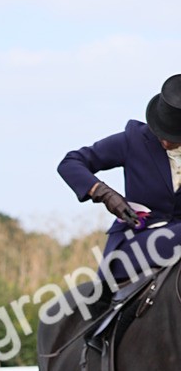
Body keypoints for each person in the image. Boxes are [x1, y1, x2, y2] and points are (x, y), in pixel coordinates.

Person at [58, 74, 181, 286]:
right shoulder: (134, 140)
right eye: (160, 131)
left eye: (172, 136)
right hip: (137, 245)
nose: (163, 140)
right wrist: (104, 193)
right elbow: (71, 162)